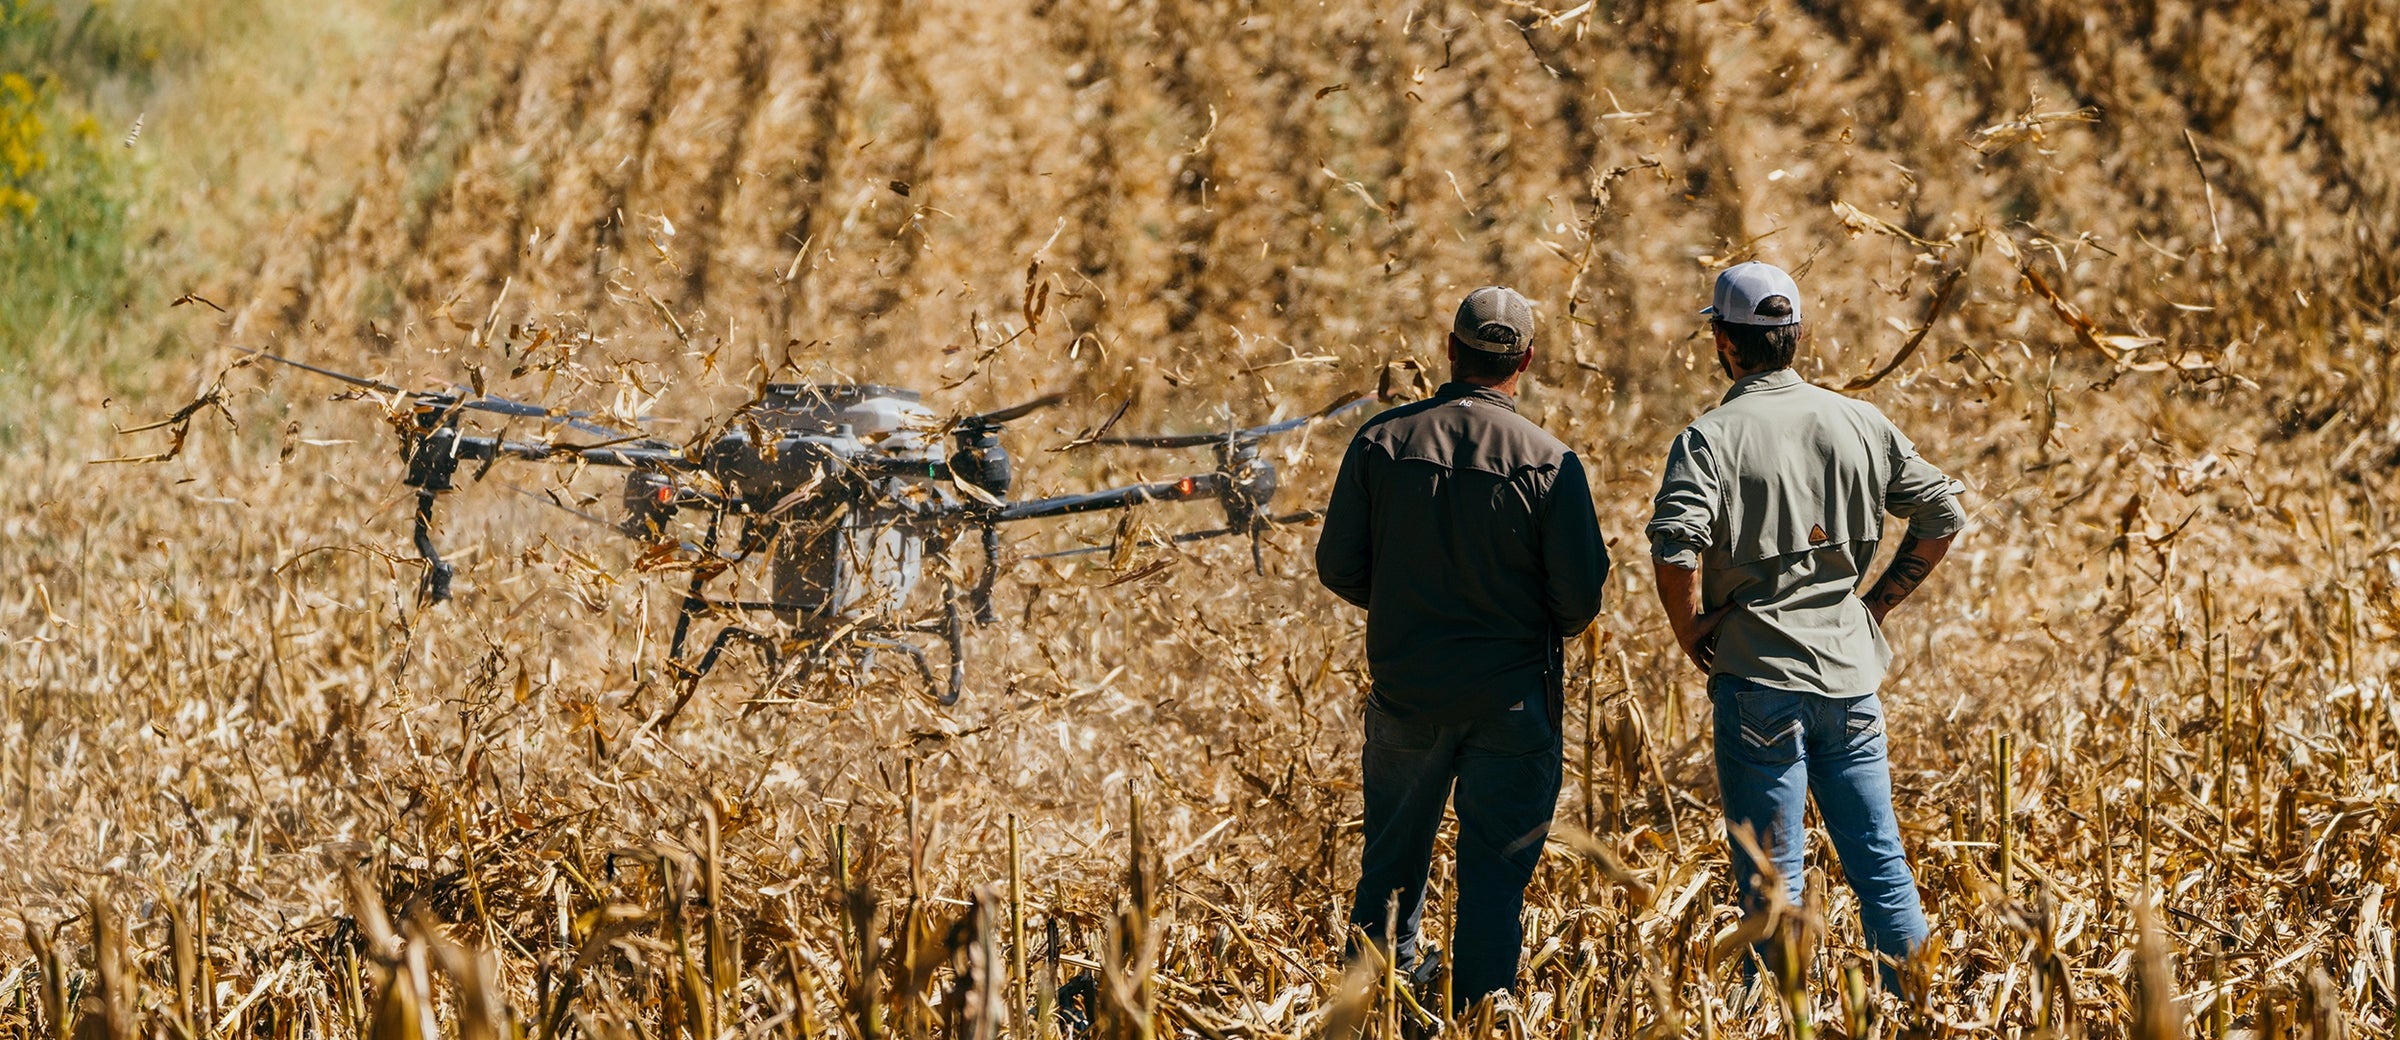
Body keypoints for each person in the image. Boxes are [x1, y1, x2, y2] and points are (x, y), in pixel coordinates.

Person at [1645, 261, 1967, 992]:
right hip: (1851, 679)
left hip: (1757, 680)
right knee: (1880, 859)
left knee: (1773, 882)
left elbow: (1675, 547)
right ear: (1793, 337)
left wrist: (1691, 629)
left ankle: (1785, 1015)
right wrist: (1874, 605)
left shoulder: (1709, 438)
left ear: (1725, 342)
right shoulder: (1859, 420)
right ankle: (1920, 1010)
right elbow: (1942, 516)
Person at [1316, 285, 1611, 1010]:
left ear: (1449, 351)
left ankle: (1377, 1012)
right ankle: (1482, 1016)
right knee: (1493, 879)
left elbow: (1337, 565)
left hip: (1407, 692)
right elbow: (1580, 601)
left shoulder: (1382, 441)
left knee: (1387, 869)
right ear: (1528, 361)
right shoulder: (1549, 461)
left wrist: (1402, 610)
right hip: (1513, 700)